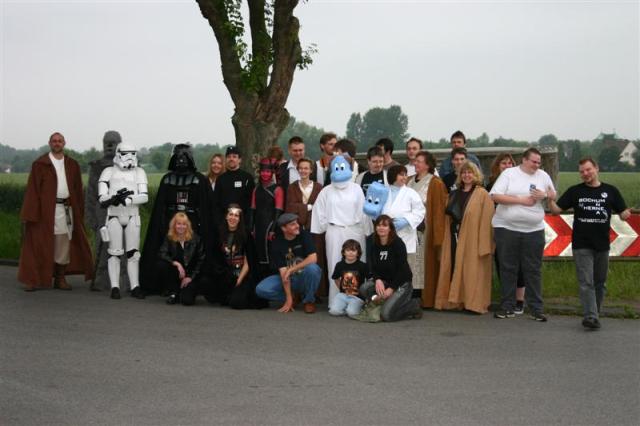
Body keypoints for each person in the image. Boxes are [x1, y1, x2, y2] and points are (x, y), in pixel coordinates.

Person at [548, 157, 631, 330]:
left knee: (600, 282)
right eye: (582, 172)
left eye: (588, 170)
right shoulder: (575, 191)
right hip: (581, 244)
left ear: (596, 168)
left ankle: (595, 314)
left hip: (602, 245)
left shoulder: (610, 191)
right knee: (586, 282)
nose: (585, 174)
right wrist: (550, 199)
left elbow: (623, 212)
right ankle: (590, 316)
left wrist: (625, 214)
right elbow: (556, 211)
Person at [18, 132, 93, 291]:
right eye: (54, 141)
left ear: (64, 143)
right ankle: (34, 279)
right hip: (44, 212)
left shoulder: (72, 164)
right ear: (49, 143)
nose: (57, 143)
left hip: (65, 210)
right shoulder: (40, 164)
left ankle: (60, 278)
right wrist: (30, 214)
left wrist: (79, 211)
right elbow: (33, 190)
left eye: (59, 141)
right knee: (39, 244)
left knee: (63, 244)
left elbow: (77, 190)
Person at [490, 147, 555, 321]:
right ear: (524, 160)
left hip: (534, 229)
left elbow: (553, 194)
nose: (537, 165)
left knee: (533, 269)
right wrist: (520, 200)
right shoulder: (509, 174)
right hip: (507, 227)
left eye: (539, 162)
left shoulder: (543, 176)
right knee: (508, 268)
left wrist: (544, 195)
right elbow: (495, 196)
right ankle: (507, 307)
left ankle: (536, 309)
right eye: (534, 161)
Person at [140, 144, 215, 295]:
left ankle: (191, 283)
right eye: (179, 156)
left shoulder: (199, 180)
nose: (181, 160)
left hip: (192, 224)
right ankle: (169, 285)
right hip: (171, 223)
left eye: (185, 156)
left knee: (194, 253)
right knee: (169, 252)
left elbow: (205, 207)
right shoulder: (167, 179)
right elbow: (161, 207)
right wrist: (162, 225)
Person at [311, 155, 372, 306]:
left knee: (358, 264)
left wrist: (367, 230)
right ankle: (336, 300)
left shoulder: (356, 189)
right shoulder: (326, 191)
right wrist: (324, 227)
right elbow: (319, 211)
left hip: (355, 229)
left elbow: (364, 211)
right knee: (335, 263)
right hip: (335, 231)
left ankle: (358, 300)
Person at [435, 161, 494, 314]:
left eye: (470, 172)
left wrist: (484, 244)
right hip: (454, 236)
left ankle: (474, 304)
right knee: (454, 267)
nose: (467, 175)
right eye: (464, 172)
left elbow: (487, 220)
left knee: (472, 271)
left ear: (476, 175)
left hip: (473, 238)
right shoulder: (454, 194)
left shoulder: (483, 194)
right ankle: (455, 301)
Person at [97, 143, 148, 300]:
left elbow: (144, 196)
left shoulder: (139, 172)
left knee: (133, 254)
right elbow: (102, 198)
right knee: (114, 253)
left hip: (132, 215)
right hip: (114, 215)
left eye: (133, 153)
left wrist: (129, 199)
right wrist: (113, 199)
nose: (129, 157)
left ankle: (135, 286)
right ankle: (115, 287)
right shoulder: (108, 172)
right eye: (126, 153)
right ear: (118, 154)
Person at [85, 130, 127, 291]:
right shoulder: (96, 167)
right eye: (106, 142)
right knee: (102, 249)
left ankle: (123, 282)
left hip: (122, 212)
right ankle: (101, 280)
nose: (109, 145)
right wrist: (91, 218)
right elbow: (90, 194)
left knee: (123, 248)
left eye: (113, 142)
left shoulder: (128, 165)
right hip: (101, 212)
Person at [256, 213, 322, 313]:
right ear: (284, 228)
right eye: (292, 224)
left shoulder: (304, 235)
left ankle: (309, 301)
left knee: (313, 269)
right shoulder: (276, 243)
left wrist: (291, 269)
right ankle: (294, 297)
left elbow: (313, 258)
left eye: (297, 223)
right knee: (261, 289)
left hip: (304, 276)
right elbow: (283, 273)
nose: (297, 226)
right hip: (289, 278)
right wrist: (288, 297)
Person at [360, 215, 422, 321]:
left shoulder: (398, 244)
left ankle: (413, 306)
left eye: (385, 225)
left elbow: (403, 270)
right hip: (384, 282)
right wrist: (377, 279)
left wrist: (391, 288)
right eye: (379, 225)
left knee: (386, 315)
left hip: (401, 284)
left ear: (390, 229)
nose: (381, 228)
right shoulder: (373, 243)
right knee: (364, 288)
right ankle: (382, 301)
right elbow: (373, 266)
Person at [486, 153, 526, 314]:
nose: (507, 166)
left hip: (517, 226)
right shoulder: (491, 185)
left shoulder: (520, 183)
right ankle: (507, 299)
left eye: (510, 163)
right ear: (497, 166)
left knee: (518, 264)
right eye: (503, 163)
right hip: (498, 227)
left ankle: (520, 300)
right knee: (502, 263)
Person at [406, 151, 448, 305]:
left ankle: (421, 298)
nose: (415, 163)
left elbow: (439, 210)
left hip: (424, 229)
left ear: (428, 165)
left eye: (419, 161)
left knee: (420, 264)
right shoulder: (409, 180)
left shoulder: (435, 183)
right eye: (415, 161)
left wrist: (437, 234)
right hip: (407, 228)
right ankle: (406, 295)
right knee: (408, 263)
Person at [216, 205, 268, 309]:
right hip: (226, 274)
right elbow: (218, 259)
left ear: (240, 219)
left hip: (243, 275)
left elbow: (248, 262)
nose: (233, 218)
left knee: (236, 302)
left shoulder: (246, 235)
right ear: (226, 216)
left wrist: (239, 280)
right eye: (231, 214)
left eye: (236, 216)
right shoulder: (219, 233)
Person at [381, 165, 426, 277]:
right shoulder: (384, 191)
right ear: (393, 176)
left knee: (405, 269)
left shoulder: (411, 193)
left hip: (405, 234)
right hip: (387, 234)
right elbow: (376, 210)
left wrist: (406, 220)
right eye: (401, 174)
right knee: (388, 269)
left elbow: (420, 211)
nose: (404, 177)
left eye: (406, 174)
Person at [157, 213, 207, 305]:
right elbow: (162, 253)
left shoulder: (196, 239)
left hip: (191, 275)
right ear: (174, 225)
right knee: (161, 264)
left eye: (184, 224)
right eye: (178, 224)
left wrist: (190, 277)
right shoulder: (169, 237)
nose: (181, 227)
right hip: (176, 274)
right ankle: (174, 292)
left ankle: (185, 291)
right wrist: (176, 264)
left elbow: (202, 260)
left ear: (187, 226)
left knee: (187, 301)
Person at [251, 158, 284, 279]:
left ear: (272, 173)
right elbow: (253, 209)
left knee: (271, 257)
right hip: (258, 226)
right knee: (258, 257)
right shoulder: (256, 189)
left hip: (271, 226)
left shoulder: (277, 189)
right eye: (263, 171)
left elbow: (278, 210)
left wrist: (273, 230)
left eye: (268, 171)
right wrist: (252, 227)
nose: (265, 174)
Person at [214, 145, 255, 221]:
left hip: (243, 221)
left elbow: (251, 202)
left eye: (234, 156)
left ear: (239, 160)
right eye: (229, 157)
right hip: (224, 221)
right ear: (226, 159)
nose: (231, 159)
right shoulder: (220, 179)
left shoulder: (247, 178)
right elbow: (216, 203)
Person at [328, 239, 368, 318]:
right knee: (333, 311)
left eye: (353, 250)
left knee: (352, 313)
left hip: (357, 297)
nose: (350, 253)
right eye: (348, 250)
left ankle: (356, 307)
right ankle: (347, 308)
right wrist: (341, 288)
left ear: (358, 253)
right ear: (343, 252)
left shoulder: (363, 266)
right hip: (343, 295)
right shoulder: (339, 265)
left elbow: (369, 280)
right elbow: (336, 278)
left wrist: (365, 295)